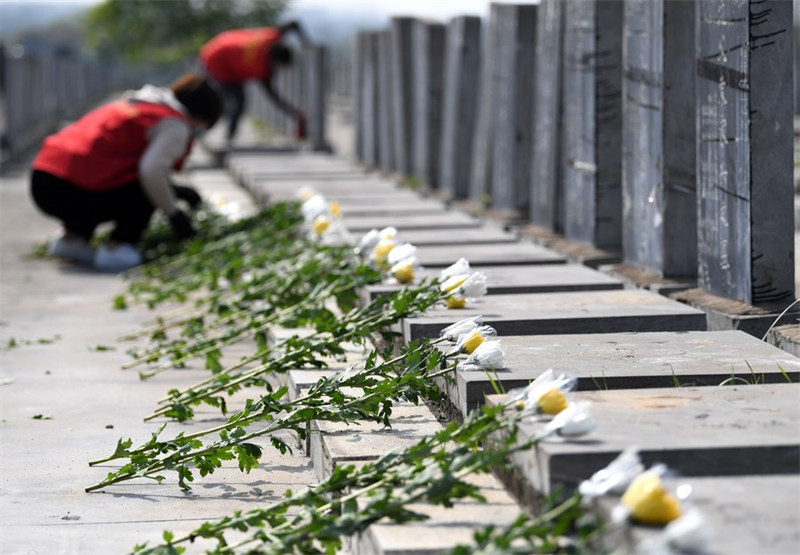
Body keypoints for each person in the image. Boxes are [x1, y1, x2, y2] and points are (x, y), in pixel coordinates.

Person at [30, 73, 223, 272]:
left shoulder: (136, 104)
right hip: (73, 189)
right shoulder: (176, 123)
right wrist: (174, 214)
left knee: (105, 175)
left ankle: (72, 240)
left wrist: (176, 190)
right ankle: (118, 246)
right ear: (200, 117)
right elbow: (151, 171)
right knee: (147, 188)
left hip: (42, 178)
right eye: (201, 126)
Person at [199, 21, 310, 143]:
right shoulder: (262, 68)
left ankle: (225, 134)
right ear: (276, 61)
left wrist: (306, 42)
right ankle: (225, 137)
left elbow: (294, 24)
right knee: (233, 102)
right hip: (218, 63)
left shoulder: (271, 37)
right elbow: (274, 97)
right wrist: (295, 114)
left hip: (221, 42)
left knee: (232, 102)